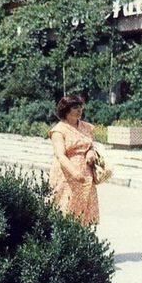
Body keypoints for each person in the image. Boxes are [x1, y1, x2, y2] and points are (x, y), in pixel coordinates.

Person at [48, 95, 99, 225]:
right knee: (67, 208)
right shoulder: (58, 130)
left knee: (84, 211)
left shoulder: (87, 127)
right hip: (67, 176)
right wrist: (75, 173)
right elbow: (60, 155)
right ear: (66, 109)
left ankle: (83, 236)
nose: (79, 110)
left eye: (80, 106)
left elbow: (91, 145)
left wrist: (91, 152)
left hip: (87, 175)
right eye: (75, 107)